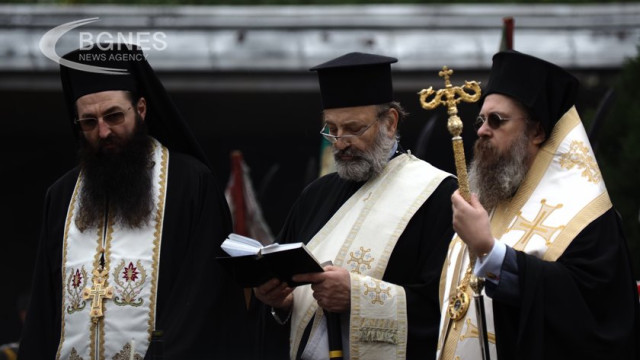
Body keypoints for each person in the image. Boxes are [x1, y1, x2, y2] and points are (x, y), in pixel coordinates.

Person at [18, 44, 249, 359]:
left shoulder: (190, 184)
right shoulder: (61, 196)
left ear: (140, 109)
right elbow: (45, 308)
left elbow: (204, 297)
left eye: (113, 116)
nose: (103, 132)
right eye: (88, 122)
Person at [437, 50, 640, 360]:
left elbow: (595, 320)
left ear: (537, 132)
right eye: (480, 120)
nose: (481, 130)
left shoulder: (588, 218)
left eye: (497, 120)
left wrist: (491, 253)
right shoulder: (491, 200)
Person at [254, 52, 458, 359]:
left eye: (353, 128)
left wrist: (359, 297)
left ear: (389, 122)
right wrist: (279, 303)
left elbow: (449, 307)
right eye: (331, 129)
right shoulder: (314, 196)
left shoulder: (438, 194)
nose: (339, 142)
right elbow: (290, 300)